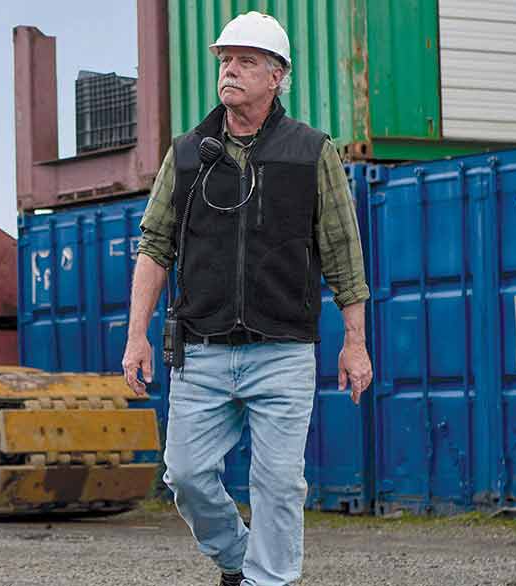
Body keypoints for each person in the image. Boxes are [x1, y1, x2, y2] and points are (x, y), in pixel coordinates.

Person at [119, 11, 372, 586]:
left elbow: (342, 252)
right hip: (201, 350)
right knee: (184, 475)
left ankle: (268, 580)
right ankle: (238, 560)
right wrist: (137, 334)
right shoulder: (186, 154)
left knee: (279, 484)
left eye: (246, 61)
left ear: (277, 76)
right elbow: (154, 246)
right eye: (225, 61)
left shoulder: (312, 152)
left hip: (282, 351)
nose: (230, 70)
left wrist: (354, 343)